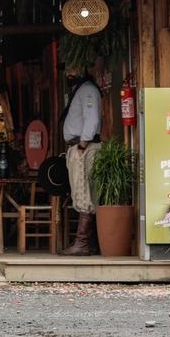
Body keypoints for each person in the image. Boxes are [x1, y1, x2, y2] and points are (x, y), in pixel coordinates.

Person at [61, 66, 103, 257]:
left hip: (83, 147)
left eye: (72, 69)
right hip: (79, 146)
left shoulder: (88, 90)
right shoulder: (80, 90)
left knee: (83, 191)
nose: (68, 73)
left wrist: (82, 144)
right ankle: (89, 243)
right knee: (82, 191)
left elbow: (91, 118)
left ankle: (82, 243)